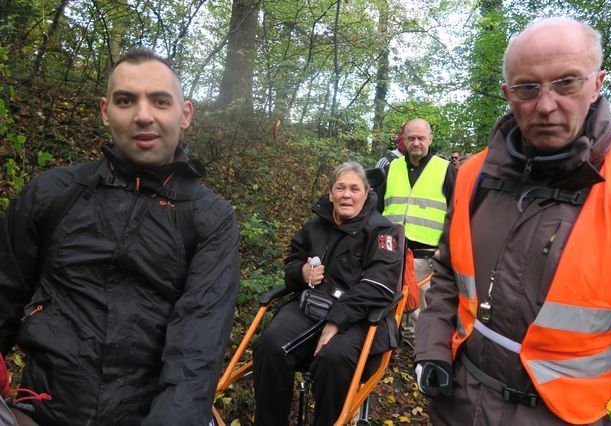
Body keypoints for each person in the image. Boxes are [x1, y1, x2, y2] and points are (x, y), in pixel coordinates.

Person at [415, 17, 611, 425]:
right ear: (507, 94)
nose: (547, 104)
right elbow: (448, 271)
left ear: (597, 83)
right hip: (461, 404)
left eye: (567, 82)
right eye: (527, 88)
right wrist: (432, 351)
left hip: (576, 415)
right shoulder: (473, 174)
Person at [0, 48, 240, 425]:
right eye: (126, 100)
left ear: (185, 114)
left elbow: (196, 350)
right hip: (40, 411)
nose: (143, 115)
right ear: (105, 111)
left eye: (160, 101)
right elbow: (4, 293)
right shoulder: (51, 194)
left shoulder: (210, 218)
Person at [252, 161, 403, 425]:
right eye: (340, 188)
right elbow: (292, 261)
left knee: (332, 360)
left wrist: (336, 320)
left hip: (359, 316)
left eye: (354, 189)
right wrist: (301, 273)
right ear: (331, 192)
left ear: (366, 193)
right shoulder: (315, 225)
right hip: (310, 305)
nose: (347, 195)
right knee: (269, 346)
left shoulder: (383, 230)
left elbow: (379, 286)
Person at [380, 118, 457, 341]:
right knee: (389, 302)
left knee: (417, 311)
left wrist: (446, 249)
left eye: (421, 138)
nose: (416, 143)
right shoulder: (391, 168)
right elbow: (378, 207)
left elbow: (459, 213)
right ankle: (389, 346)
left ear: (430, 139)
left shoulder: (446, 170)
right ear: (404, 140)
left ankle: (418, 356)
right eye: (411, 138)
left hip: (426, 253)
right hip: (392, 249)